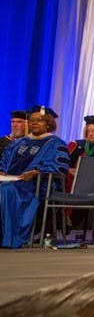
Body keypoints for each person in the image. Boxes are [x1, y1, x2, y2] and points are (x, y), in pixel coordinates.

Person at [0, 106, 69, 248]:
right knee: (6, 187)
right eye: (32, 120)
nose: (34, 123)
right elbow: (5, 161)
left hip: (37, 185)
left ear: (48, 123)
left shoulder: (55, 143)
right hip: (13, 181)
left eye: (40, 120)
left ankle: (9, 238)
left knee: (7, 190)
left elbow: (60, 167)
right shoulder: (19, 142)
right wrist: (1, 171)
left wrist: (36, 171)